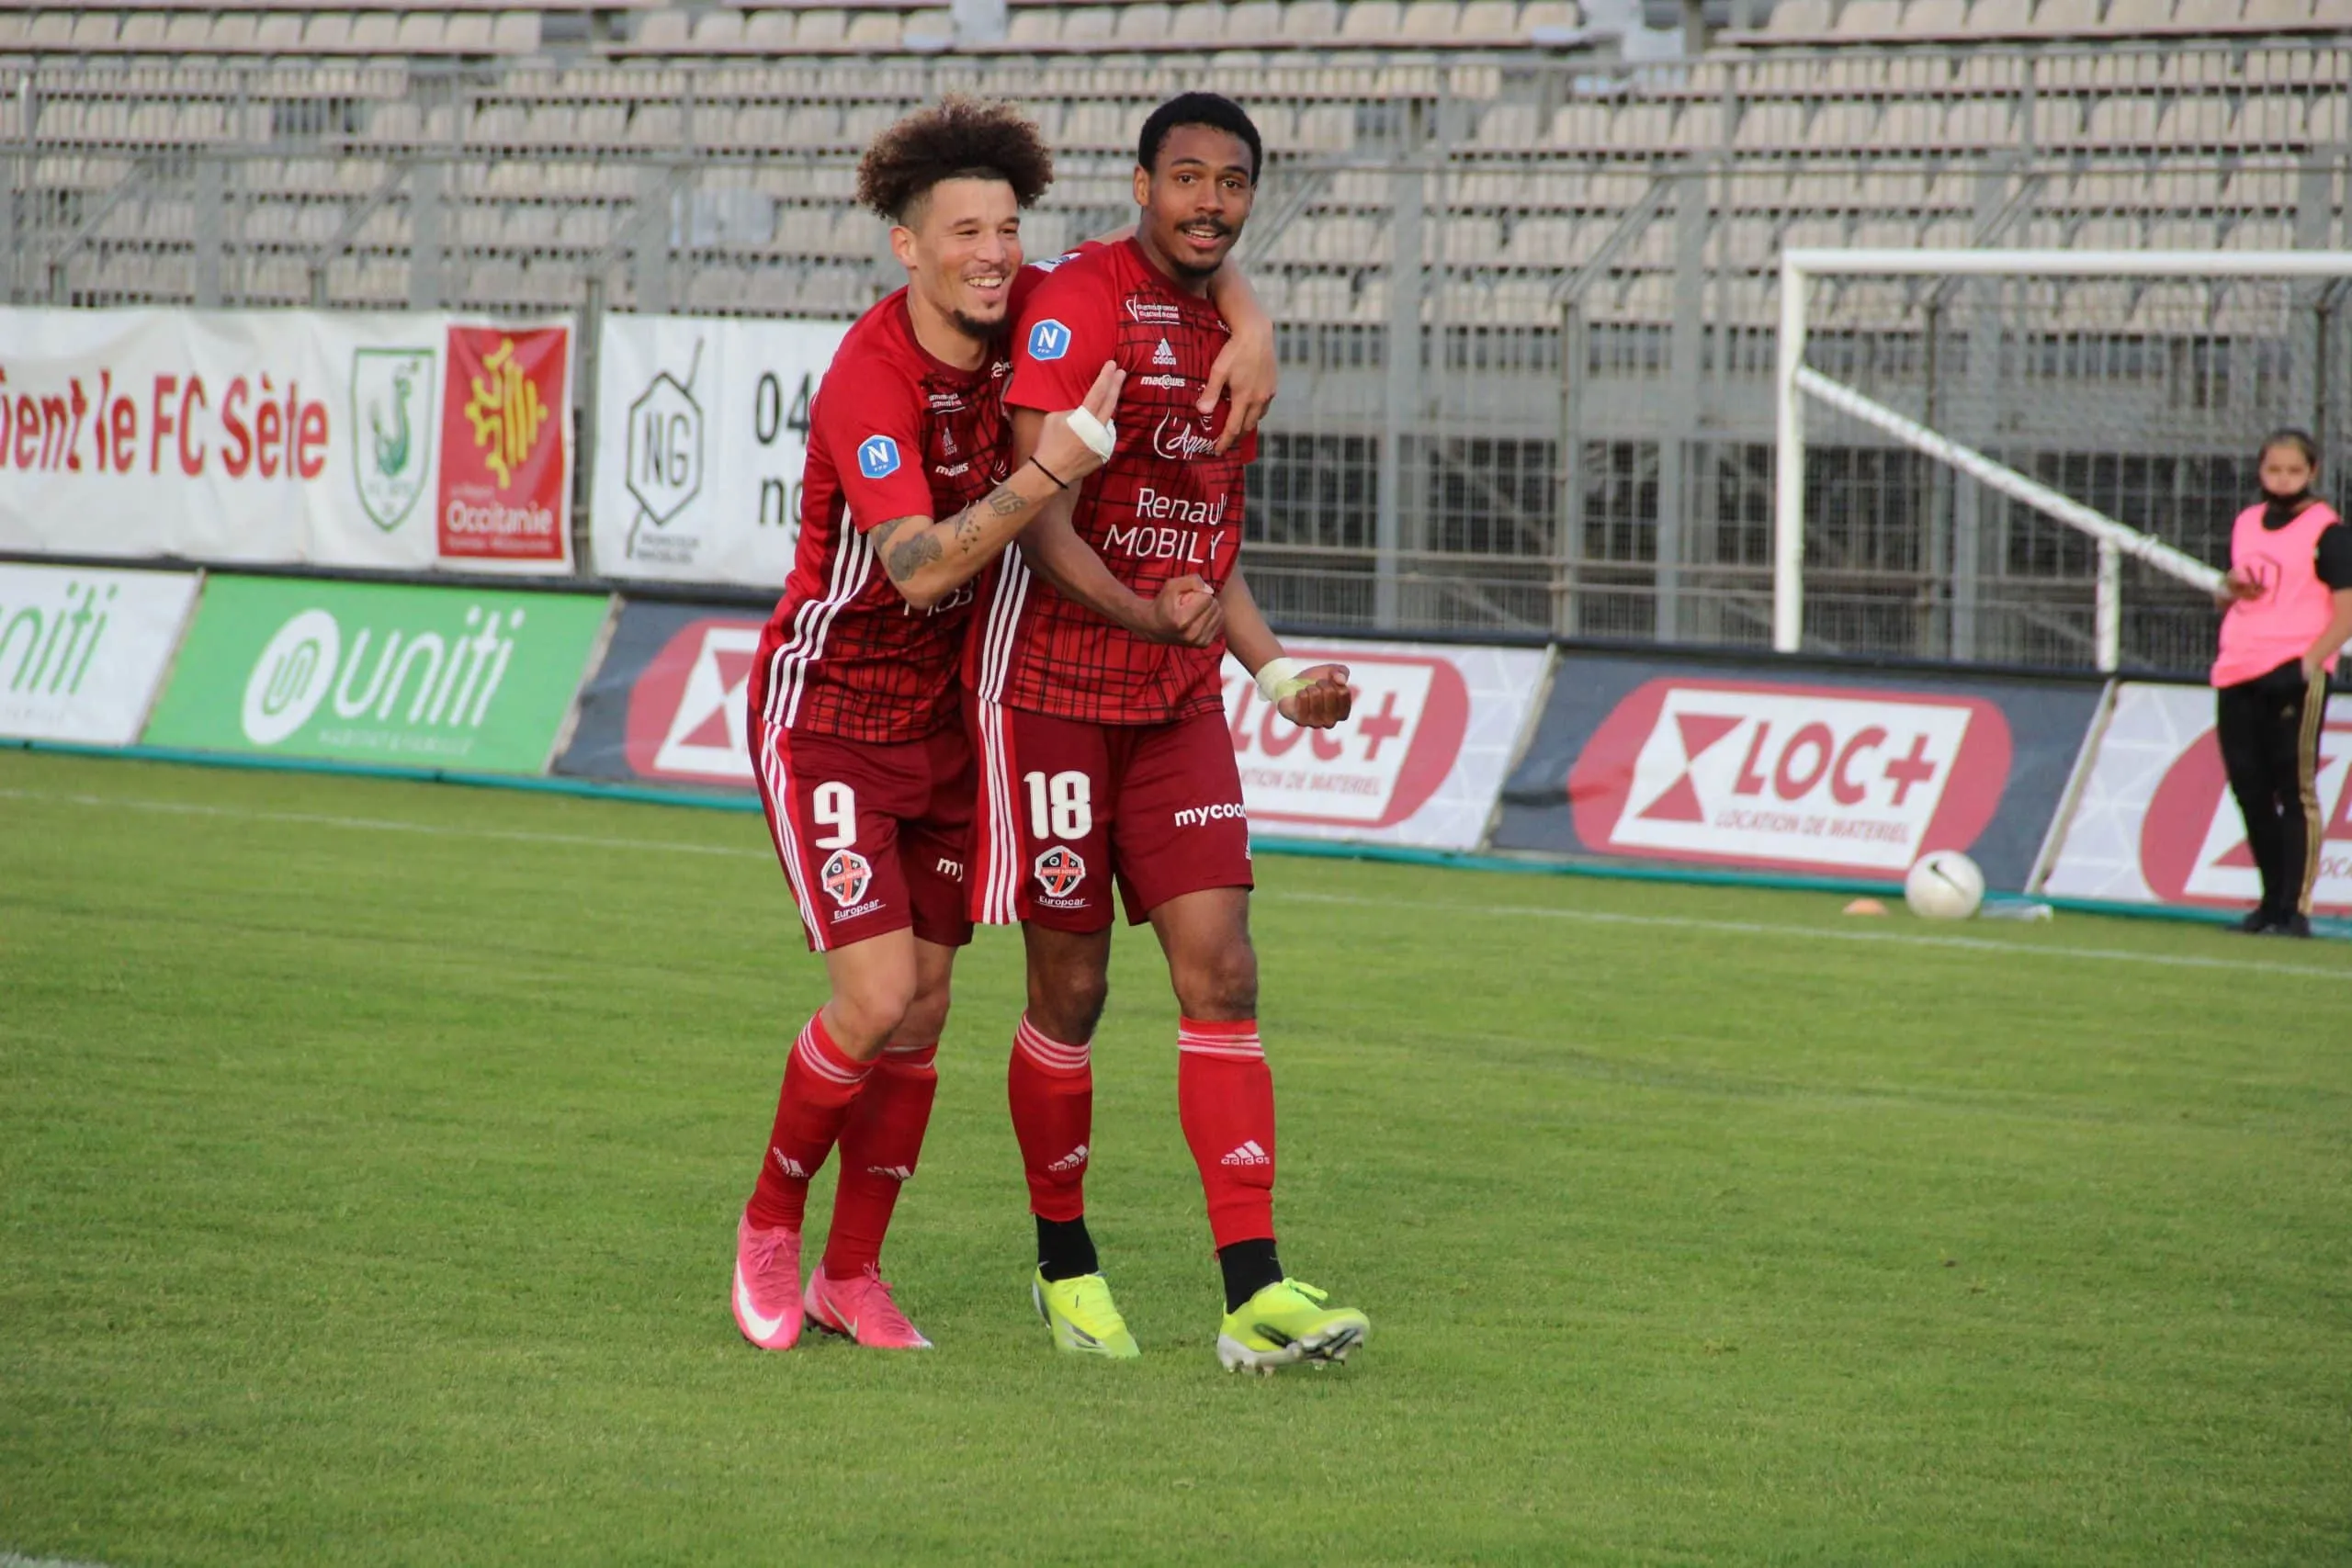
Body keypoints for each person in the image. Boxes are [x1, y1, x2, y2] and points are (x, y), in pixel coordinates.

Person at [730, 97, 1277, 1352]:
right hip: (830, 715)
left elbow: (1173, 251)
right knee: (873, 997)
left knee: (924, 1011)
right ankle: (771, 1222)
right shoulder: (872, 376)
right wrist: (1052, 468)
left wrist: (1253, 319)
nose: (992, 252)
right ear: (905, 249)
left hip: (952, 722)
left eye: (1006, 230)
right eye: (963, 232)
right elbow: (920, 568)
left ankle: (852, 1274)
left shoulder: (1028, 299)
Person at [968, 92, 1371, 1373]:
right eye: (1186, 177)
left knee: (1226, 969)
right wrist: (1149, 612)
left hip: (1178, 699)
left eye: (1233, 183)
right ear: (1139, 183)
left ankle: (1253, 1291)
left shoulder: (1225, 322)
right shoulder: (1079, 299)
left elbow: (1205, 541)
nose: (1210, 202)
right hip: (1054, 695)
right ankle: (1064, 1263)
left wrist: (1273, 674)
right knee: (1072, 988)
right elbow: (1038, 514)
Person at [2211, 428, 2352, 938]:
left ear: (2311, 472)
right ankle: (2268, 901)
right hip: (2238, 666)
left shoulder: (2328, 532)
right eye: (2274, 470)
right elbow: (2233, 593)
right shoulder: (2248, 523)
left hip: (2292, 669)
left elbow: (2346, 610)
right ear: (2260, 471)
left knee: (2295, 789)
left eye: (2294, 471)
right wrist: (2230, 587)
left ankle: (2296, 907)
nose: (2283, 480)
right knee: (2249, 786)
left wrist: (2310, 662)